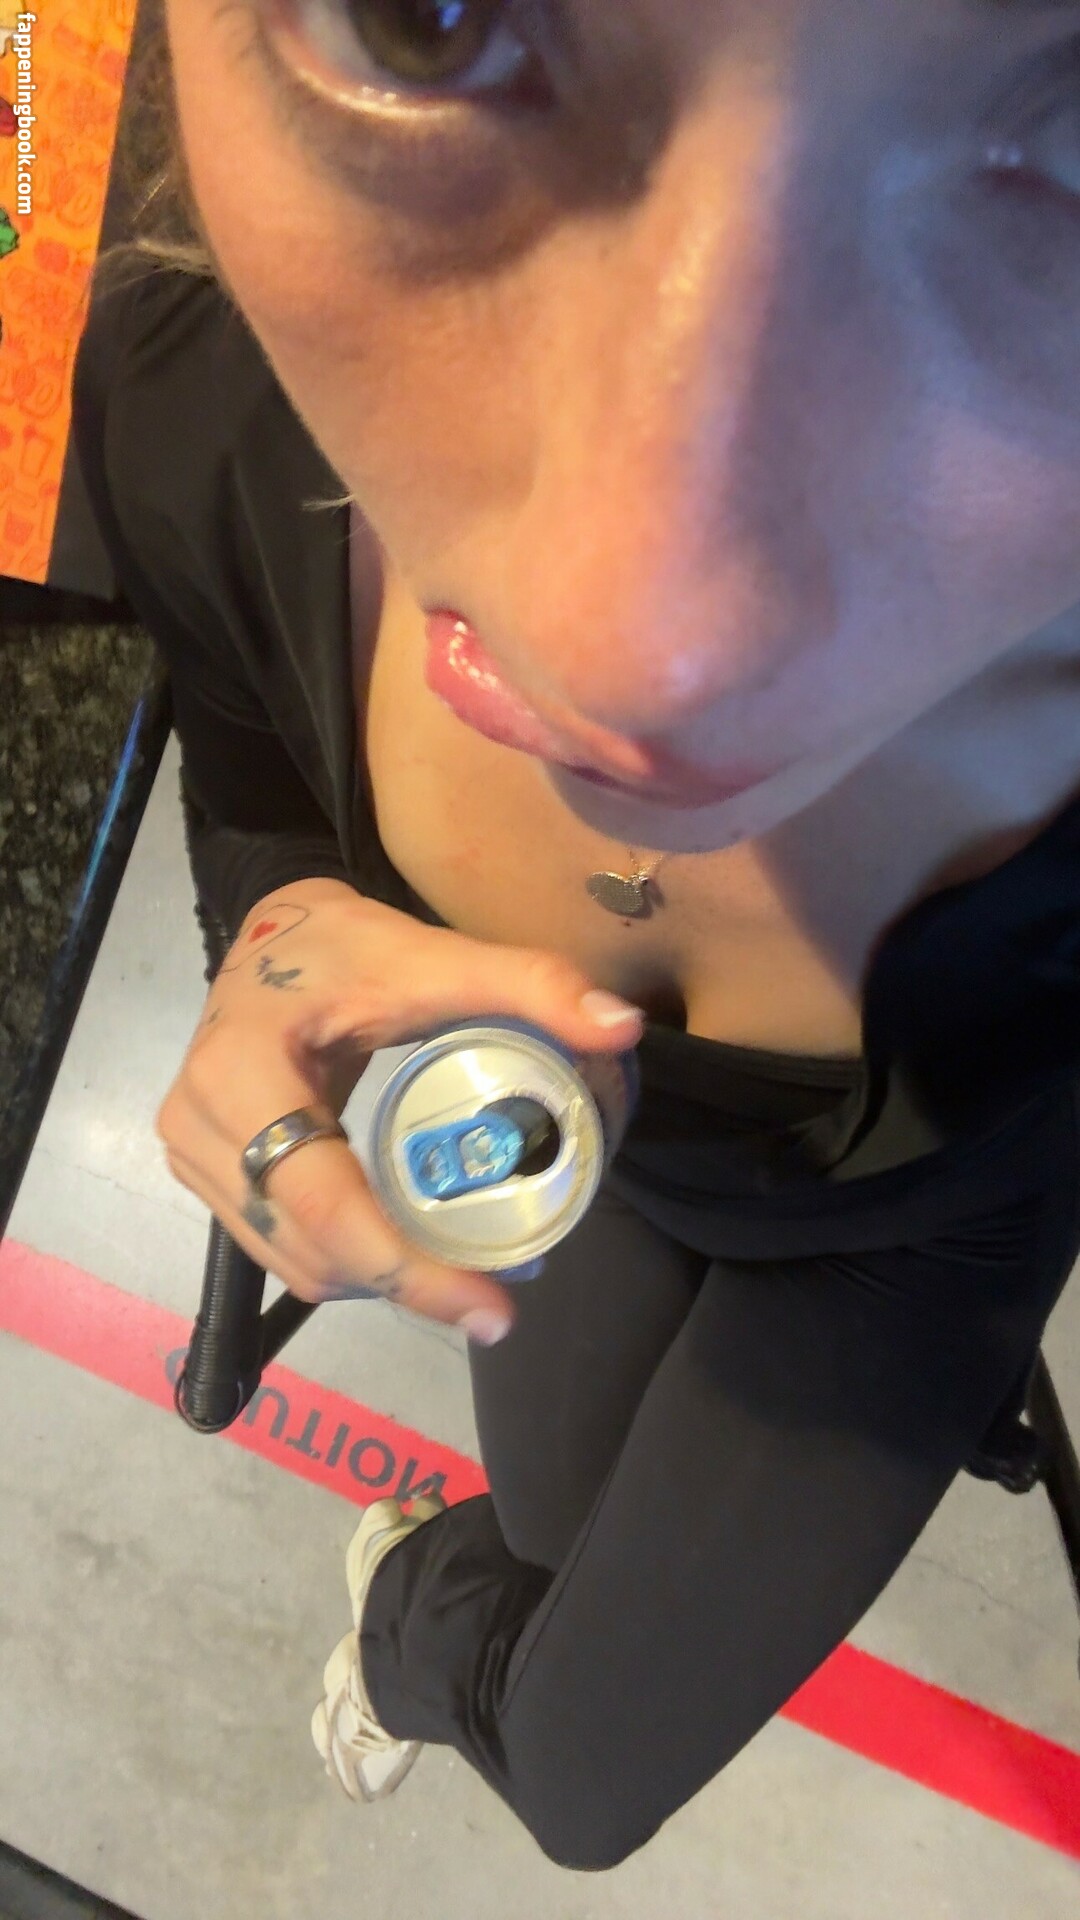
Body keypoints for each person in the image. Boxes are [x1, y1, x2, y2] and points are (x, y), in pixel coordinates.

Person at [72, 0, 1080, 1873]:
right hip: (581, 1149)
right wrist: (284, 926)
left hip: (931, 1218)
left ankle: (403, 1631)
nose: (638, 658)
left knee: (584, 1784)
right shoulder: (193, 386)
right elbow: (257, 760)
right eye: (425, 18)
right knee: (550, 1544)